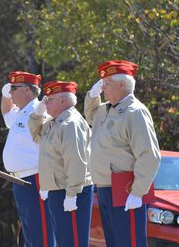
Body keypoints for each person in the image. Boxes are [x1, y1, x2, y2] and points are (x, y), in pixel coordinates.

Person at [84, 60, 160, 247]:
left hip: (125, 188)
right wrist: (92, 96)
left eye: (106, 84)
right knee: (114, 242)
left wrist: (138, 192)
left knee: (129, 242)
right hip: (104, 187)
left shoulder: (135, 112)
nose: (103, 89)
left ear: (121, 84)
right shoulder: (105, 110)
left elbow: (149, 154)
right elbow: (91, 116)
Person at [28, 81, 93, 247]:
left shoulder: (71, 124)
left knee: (72, 242)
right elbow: (37, 136)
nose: (45, 103)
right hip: (57, 191)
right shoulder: (53, 123)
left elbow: (76, 162)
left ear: (63, 101)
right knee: (64, 241)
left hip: (70, 191)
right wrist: (38, 113)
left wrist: (72, 194)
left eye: (49, 99)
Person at [0, 71, 54, 247]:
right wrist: (4, 93)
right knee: (29, 231)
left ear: (28, 90)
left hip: (36, 178)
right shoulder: (21, 113)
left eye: (14, 88)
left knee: (41, 231)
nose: (11, 93)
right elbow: (6, 112)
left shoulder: (39, 112)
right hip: (20, 179)